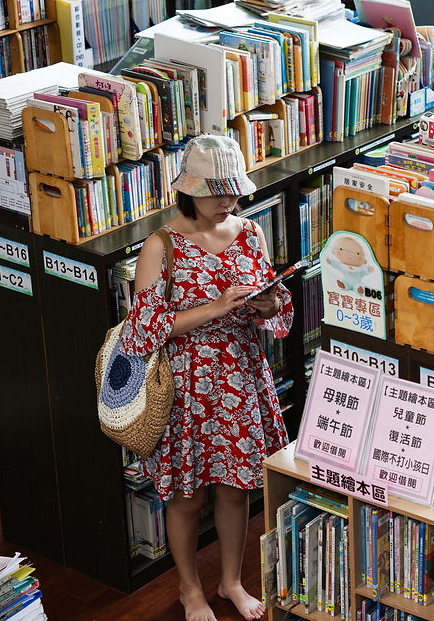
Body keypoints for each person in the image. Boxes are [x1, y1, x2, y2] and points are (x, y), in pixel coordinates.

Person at [121, 135, 292, 621]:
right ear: (188, 191)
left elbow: (273, 308)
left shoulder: (250, 233)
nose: (227, 203)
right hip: (185, 385)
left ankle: (231, 582)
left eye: (232, 192)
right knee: (186, 494)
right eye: (216, 192)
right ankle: (189, 590)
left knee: (236, 488)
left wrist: (269, 304)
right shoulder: (161, 246)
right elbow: (144, 330)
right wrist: (214, 308)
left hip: (239, 375)